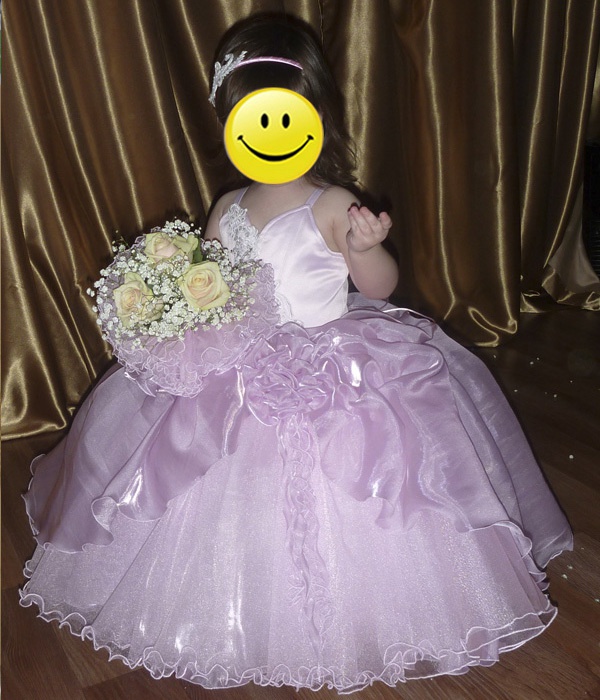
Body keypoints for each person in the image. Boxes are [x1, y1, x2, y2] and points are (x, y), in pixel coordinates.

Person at [20, 15, 573, 693]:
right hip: (239, 363)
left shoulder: (332, 202)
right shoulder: (228, 206)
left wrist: (366, 248)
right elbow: (216, 281)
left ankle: (364, 596)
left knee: (359, 474)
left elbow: (379, 287)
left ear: (315, 117)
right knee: (214, 476)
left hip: (333, 361)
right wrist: (176, 312)